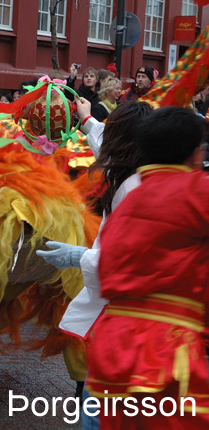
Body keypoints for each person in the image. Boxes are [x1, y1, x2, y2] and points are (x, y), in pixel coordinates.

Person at [86, 107, 209, 428]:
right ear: (195, 153)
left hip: (113, 346)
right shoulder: (198, 191)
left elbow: (104, 271)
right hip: (167, 346)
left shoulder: (126, 201)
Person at [37, 99, 153, 428]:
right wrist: (85, 115)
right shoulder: (131, 166)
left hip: (126, 316)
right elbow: (101, 138)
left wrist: (78, 257)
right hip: (125, 316)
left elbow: (125, 262)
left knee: (101, 406)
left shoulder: (135, 189)